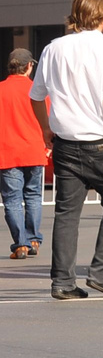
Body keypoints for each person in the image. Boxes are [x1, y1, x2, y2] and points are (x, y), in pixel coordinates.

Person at [30, 0, 103, 299]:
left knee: (66, 213)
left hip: (65, 143)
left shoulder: (53, 49)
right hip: (101, 143)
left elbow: (36, 96)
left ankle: (62, 282)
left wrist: (46, 128)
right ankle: (101, 272)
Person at [1, 48, 48, 259]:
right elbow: (49, 121)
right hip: (35, 150)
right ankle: (34, 239)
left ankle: (20, 245)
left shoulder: (1, 90)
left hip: (8, 152)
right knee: (34, 196)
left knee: (12, 200)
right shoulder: (37, 91)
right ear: (29, 66)